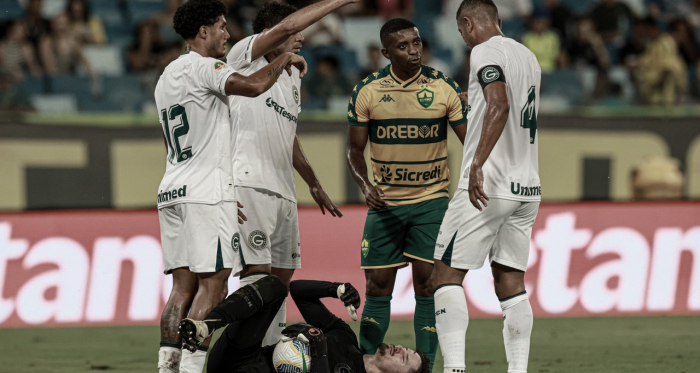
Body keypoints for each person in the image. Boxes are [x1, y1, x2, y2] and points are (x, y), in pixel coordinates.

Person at [154, 1, 307, 372]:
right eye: (221, 26)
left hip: (173, 187)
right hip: (207, 191)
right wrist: (282, 61)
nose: (227, 33)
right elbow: (254, 85)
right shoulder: (207, 67)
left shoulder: (165, 76)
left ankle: (167, 367)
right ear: (203, 31)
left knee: (181, 290)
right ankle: (191, 369)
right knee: (215, 286)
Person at [227, 0, 355, 350]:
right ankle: (241, 357)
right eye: (296, 30)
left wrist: (312, 181)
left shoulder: (292, 77)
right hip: (249, 182)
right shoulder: (243, 57)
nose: (300, 37)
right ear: (272, 32)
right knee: (258, 277)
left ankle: (268, 354)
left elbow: (289, 133)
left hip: (283, 189)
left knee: (281, 281)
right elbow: (282, 31)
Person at [346, 18, 467, 371]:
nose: (414, 51)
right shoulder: (367, 91)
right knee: (378, 285)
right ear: (386, 52)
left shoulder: (443, 86)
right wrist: (365, 185)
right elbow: (354, 151)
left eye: (417, 43)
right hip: (386, 204)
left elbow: (470, 140)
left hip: (431, 201)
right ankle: (363, 364)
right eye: (404, 46)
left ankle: (424, 366)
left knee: (428, 285)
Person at [431, 1, 541, 373]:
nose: (462, 37)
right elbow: (503, 104)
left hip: (488, 183)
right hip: (527, 188)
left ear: (467, 22)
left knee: (444, 275)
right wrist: (472, 102)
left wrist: (476, 163)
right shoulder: (528, 56)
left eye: (461, 30)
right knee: (510, 279)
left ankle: (455, 369)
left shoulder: (483, 51)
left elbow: (500, 104)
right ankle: (518, 369)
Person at [178, 275, 431, 373]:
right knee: (276, 286)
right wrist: (336, 289)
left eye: (405, 359)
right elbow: (298, 290)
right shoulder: (345, 337)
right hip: (236, 359)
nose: (400, 348)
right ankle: (207, 325)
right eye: (406, 348)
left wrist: (319, 348)